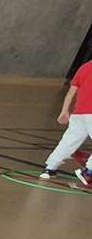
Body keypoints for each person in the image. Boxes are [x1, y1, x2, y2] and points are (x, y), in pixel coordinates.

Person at [39, 54, 92, 187]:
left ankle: (50, 169)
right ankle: (88, 173)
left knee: (68, 142)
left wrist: (64, 111)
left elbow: (71, 92)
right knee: (69, 141)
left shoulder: (84, 67)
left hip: (79, 114)